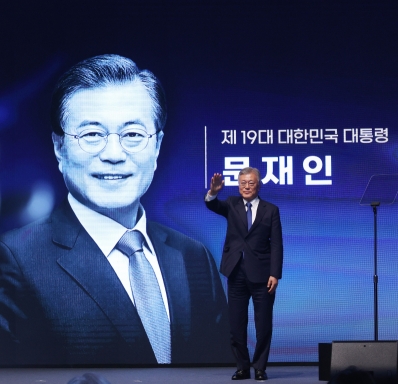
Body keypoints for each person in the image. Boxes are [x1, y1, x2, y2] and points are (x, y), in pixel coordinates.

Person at [0, 54, 229, 365]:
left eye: (133, 134)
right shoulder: (15, 259)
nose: (113, 154)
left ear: (157, 145)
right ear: (59, 146)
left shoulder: (192, 256)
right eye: (92, 134)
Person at [205, 168, 283, 381]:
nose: (246, 187)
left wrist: (275, 274)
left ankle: (259, 367)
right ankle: (242, 367)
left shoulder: (271, 210)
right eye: (242, 183)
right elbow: (212, 204)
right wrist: (212, 192)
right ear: (238, 185)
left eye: (250, 183)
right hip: (236, 272)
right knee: (236, 325)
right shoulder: (231, 204)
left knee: (263, 325)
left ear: (258, 185)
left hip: (263, 275)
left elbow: (276, 244)